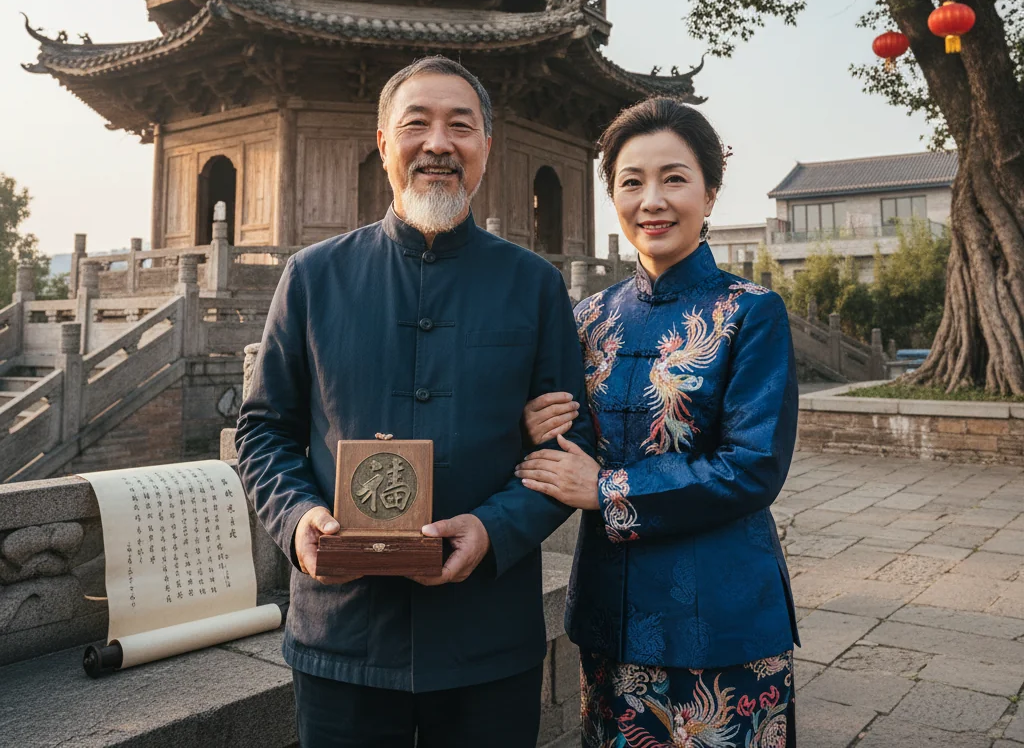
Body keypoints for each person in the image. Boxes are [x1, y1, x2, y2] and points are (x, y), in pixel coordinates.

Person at [235, 55, 594, 748]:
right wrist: (298, 517)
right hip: (342, 634)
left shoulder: (535, 286)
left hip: (487, 634)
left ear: (487, 147)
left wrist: (495, 528)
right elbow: (263, 429)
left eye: (460, 126)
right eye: (416, 124)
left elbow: (566, 450)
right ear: (383, 143)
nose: (438, 143)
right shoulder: (312, 277)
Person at [515, 97, 800, 747]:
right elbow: (572, 446)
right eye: (631, 182)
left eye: (674, 178)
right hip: (610, 614)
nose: (653, 201)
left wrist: (609, 490)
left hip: (722, 616)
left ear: (710, 190)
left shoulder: (750, 312)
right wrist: (537, 421)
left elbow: (753, 466)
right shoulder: (588, 318)